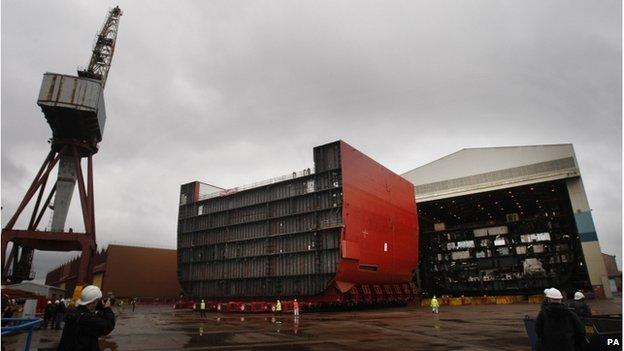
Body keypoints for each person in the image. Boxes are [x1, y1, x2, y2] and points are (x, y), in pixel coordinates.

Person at [57, 285, 115, 351]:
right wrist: (107, 309)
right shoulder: (86, 319)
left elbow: (94, 322)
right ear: (94, 302)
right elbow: (108, 325)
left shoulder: (75, 312)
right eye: (98, 300)